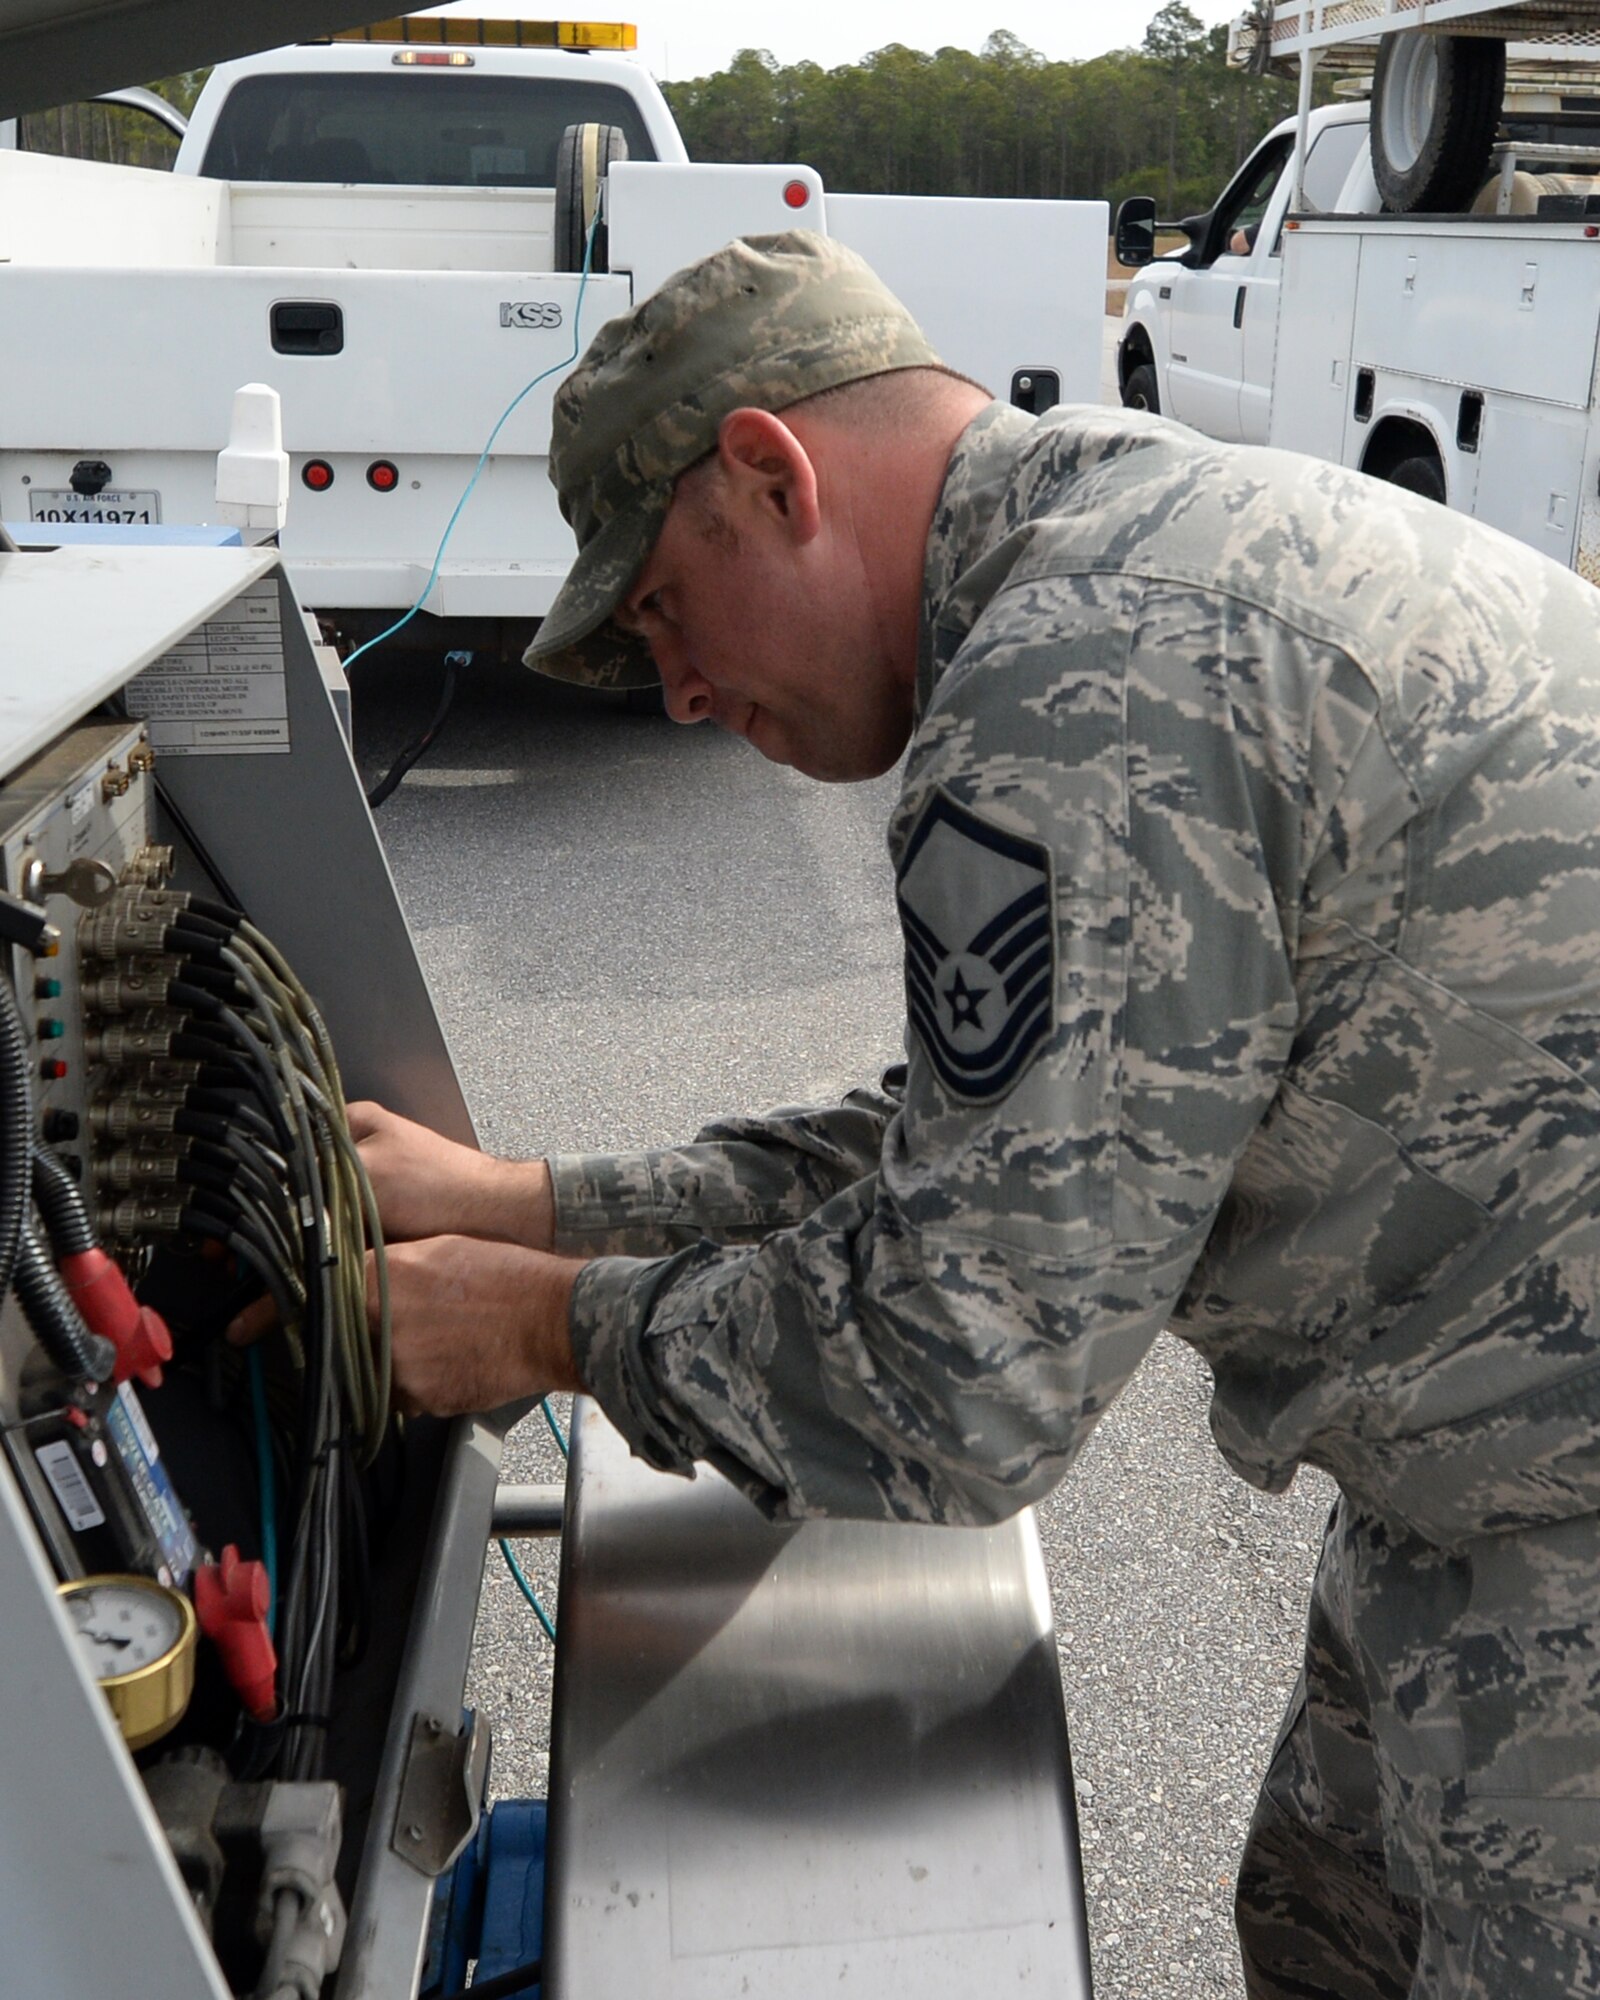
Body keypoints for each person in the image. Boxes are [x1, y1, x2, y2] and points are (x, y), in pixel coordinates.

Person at [279, 232, 1600, 1995]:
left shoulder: (1081, 684)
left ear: (773, 473)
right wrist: (535, 1202)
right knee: (1327, 1924)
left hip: (1552, 1490)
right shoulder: (1116, 554)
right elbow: (982, 1146)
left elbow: (956, 1373)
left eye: (666, 607)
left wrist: (532, 1325)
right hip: (1489, 1458)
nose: (675, 691)